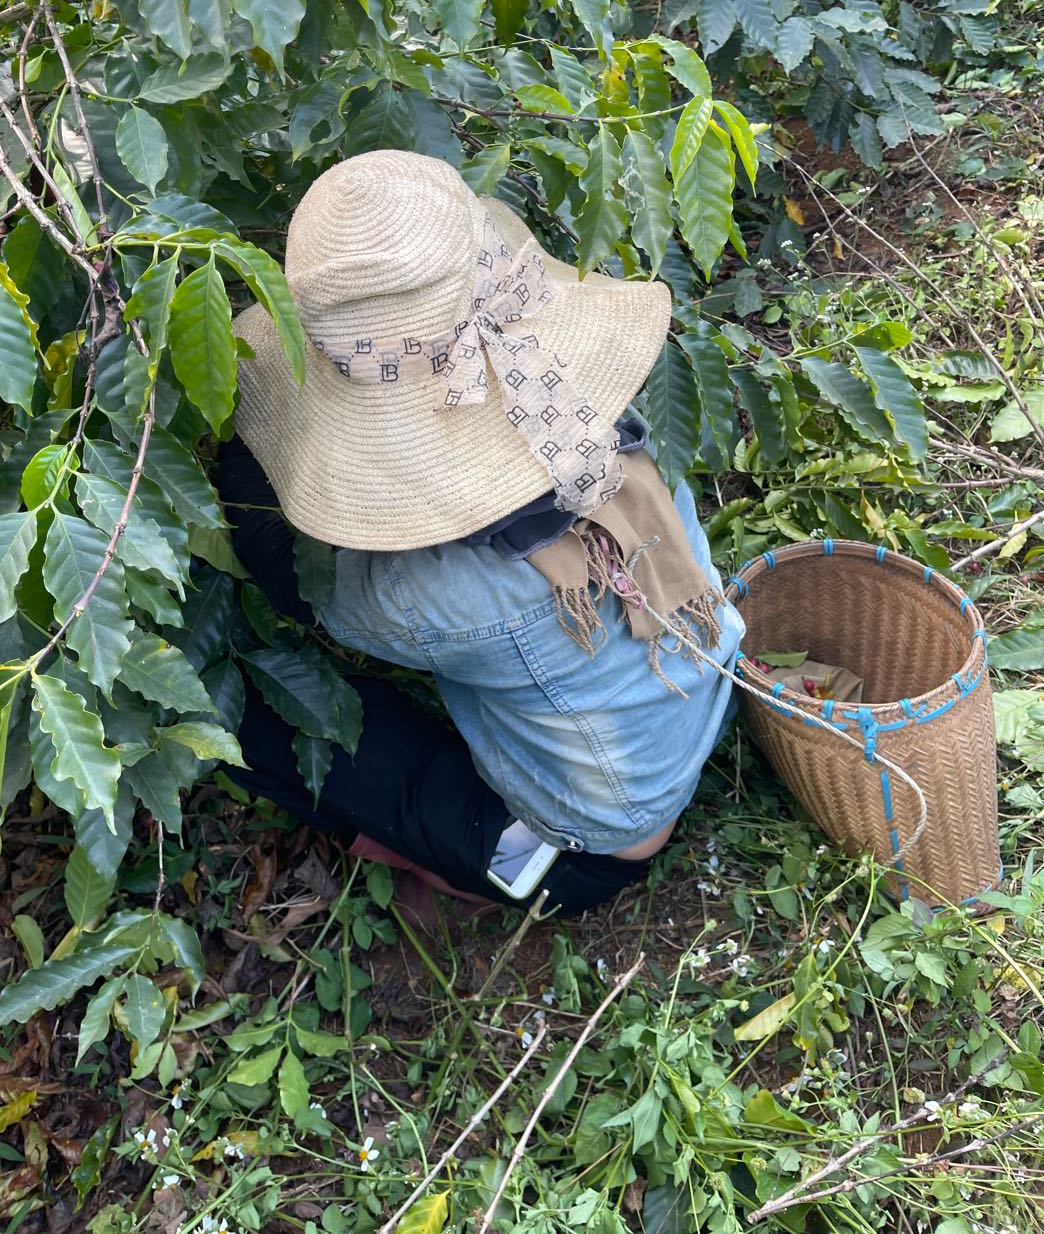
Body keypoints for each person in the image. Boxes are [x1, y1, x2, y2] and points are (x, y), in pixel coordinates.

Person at [218, 151, 745, 917]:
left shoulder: (441, 594)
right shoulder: (593, 416)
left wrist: (242, 443)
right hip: (692, 709)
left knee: (255, 722)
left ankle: (462, 869)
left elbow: (299, 584)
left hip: (595, 841)